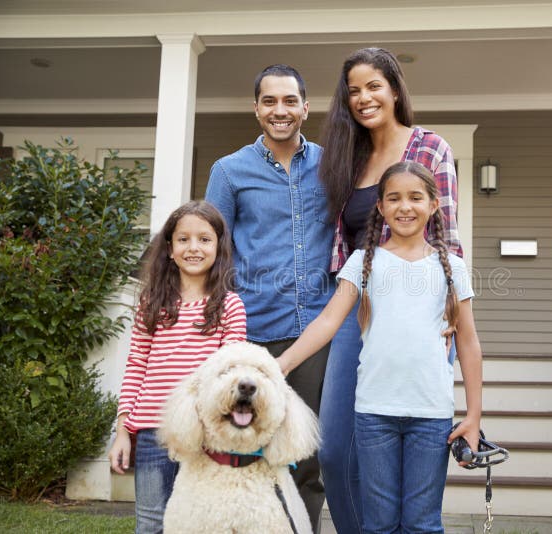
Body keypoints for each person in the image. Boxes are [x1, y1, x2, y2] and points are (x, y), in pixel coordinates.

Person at [279, 161, 483, 533]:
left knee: (422, 524)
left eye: (415, 197)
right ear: (381, 207)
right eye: (395, 198)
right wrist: (282, 363)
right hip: (374, 414)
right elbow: (327, 321)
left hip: (431, 414)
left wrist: (473, 416)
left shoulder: (452, 267)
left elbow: (468, 343)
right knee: (379, 524)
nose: (405, 206)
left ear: (434, 204)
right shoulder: (363, 262)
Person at [318, 46, 463, 532]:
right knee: (336, 452)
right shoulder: (348, 157)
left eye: (374, 86)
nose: (363, 98)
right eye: (353, 91)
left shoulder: (430, 147)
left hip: (418, 316)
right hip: (356, 310)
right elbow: (341, 243)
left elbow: (450, 236)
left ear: (395, 90)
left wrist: (451, 313)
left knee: (408, 467)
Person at [205, 64, 333, 531]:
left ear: (305, 106)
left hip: (318, 334)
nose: (280, 111)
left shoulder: (333, 163)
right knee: (249, 448)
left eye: (289, 101)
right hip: (253, 331)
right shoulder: (229, 171)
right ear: (256, 108)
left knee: (309, 455)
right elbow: (212, 251)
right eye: (269, 101)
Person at [108, 200, 247, 534]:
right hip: (153, 432)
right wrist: (123, 430)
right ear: (169, 249)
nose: (193, 247)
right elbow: (136, 365)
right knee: (152, 523)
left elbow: (229, 375)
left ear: (219, 247)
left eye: (204, 239)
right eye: (183, 239)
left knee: (201, 524)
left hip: (206, 436)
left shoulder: (229, 306)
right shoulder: (150, 303)